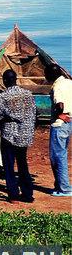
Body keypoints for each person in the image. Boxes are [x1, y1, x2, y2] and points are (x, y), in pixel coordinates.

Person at [0, 69, 37, 203]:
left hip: (9, 135)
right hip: (25, 135)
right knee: (23, 165)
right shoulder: (28, 94)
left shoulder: (4, 96)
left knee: (9, 166)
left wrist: (4, 118)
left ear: (4, 81)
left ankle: (13, 195)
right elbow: (33, 113)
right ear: (16, 80)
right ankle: (28, 195)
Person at [45, 64, 72, 197]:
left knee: (57, 157)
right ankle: (61, 185)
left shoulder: (57, 86)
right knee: (62, 154)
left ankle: (64, 188)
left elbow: (59, 104)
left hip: (59, 124)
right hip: (69, 123)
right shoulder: (68, 82)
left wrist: (59, 114)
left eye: (46, 74)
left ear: (51, 74)